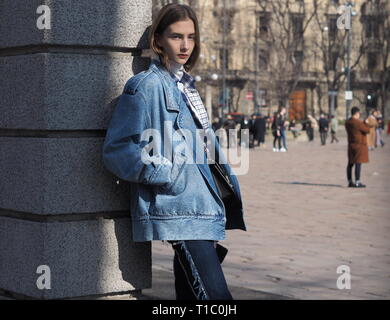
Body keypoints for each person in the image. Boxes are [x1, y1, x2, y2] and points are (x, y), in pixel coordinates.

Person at [102, 3, 246, 300]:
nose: (185, 45)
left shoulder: (187, 87)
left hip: (203, 207)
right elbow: (117, 149)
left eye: (191, 37)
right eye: (176, 36)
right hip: (179, 210)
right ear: (158, 40)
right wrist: (165, 171)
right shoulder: (145, 87)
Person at [345, 106, 373, 188]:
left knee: (350, 163)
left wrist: (363, 122)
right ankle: (357, 182)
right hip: (359, 144)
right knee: (358, 163)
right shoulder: (358, 122)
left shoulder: (347, 122)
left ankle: (350, 181)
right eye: (359, 113)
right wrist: (366, 122)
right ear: (356, 113)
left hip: (351, 144)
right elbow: (367, 130)